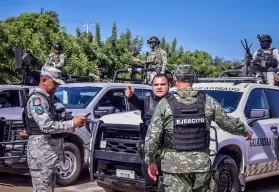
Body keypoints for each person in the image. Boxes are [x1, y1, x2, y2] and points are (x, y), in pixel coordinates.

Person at [144, 64, 253, 192]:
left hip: (174, 168)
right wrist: (245, 131)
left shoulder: (164, 104)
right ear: (194, 78)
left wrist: (150, 161)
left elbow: (152, 137)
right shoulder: (208, 101)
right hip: (201, 166)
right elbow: (227, 123)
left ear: (174, 79)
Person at [23, 66, 88, 191]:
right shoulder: (37, 100)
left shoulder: (51, 99)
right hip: (41, 157)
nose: (56, 87)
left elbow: (59, 119)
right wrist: (71, 124)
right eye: (54, 83)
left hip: (51, 157)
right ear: (44, 80)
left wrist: (75, 122)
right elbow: (46, 125)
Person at [125, 73, 170, 192]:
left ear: (168, 86)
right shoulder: (146, 101)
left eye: (162, 84)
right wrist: (130, 95)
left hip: (169, 154)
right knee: (150, 187)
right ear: (152, 87)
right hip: (150, 155)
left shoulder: (174, 102)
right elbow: (135, 100)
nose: (159, 87)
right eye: (156, 84)